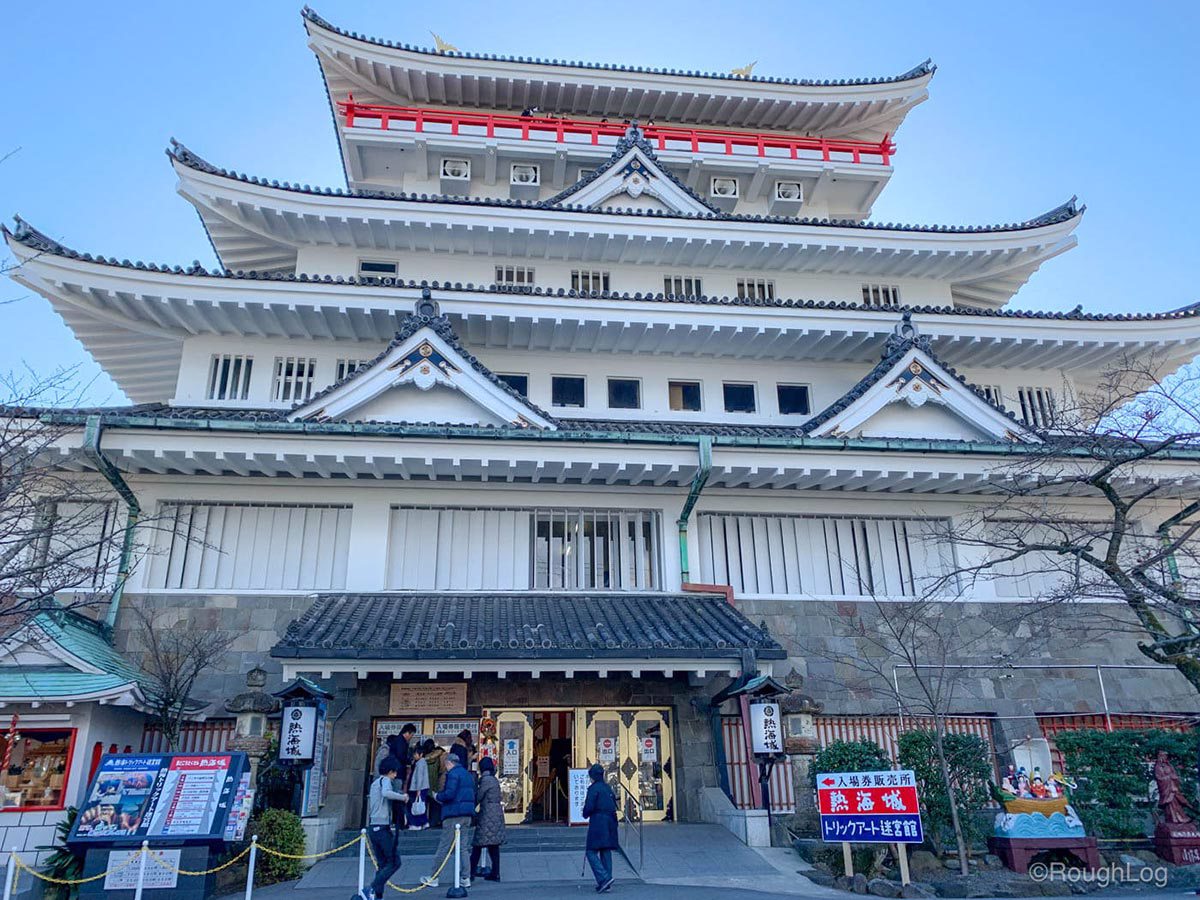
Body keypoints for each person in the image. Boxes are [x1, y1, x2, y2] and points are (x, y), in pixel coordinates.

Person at [421, 752, 475, 888]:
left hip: (453, 815)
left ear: (449, 763)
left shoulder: (452, 774)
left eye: (445, 764)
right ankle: (465, 877)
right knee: (463, 847)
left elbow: (449, 794)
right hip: (466, 815)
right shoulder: (468, 775)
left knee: (444, 846)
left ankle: (434, 876)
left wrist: (438, 796)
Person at [360, 755, 406, 900]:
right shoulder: (385, 780)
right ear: (391, 771)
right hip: (382, 827)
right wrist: (402, 797)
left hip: (372, 826)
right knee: (394, 862)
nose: (396, 775)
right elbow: (386, 794)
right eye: (395, 772)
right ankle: (371, 888)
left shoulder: (375, 783)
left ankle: (377, 895)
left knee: (382, 864)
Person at [582, 764, 618, 893]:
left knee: (591, 851)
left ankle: (604, 878)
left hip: (598, 822)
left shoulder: (593, 789)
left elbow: (589, 807)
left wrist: (585, 813)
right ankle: (606, 881)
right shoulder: (608, 788)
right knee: (605, 850)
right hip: (610, 822)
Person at [470, 757, 506, 882]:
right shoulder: (494, 779)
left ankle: (470, 872)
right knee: (493, 846)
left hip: (487, 815)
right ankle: (496, 873)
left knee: (478, 845)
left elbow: (479, 797)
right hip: (496, 814)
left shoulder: (486, 780)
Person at [407, 742, 430, 830]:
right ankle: (424, 822)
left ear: (421, 754)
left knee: (416, 806)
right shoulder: (422, 762)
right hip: (423, 787)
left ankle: (416, 824)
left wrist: (418, 789)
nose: (414, 755)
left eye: (416, 754)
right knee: (420, 805)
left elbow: (419, 777)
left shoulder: (420, 763)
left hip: (418, 788)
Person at [423, 740, 446, 827]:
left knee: (424, 803)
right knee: (435, 803)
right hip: (434, 782)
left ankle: (424, 822)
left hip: (423, 784)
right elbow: (441, 770)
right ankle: (434, 822)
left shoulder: (422, 758)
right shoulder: (438, 756)